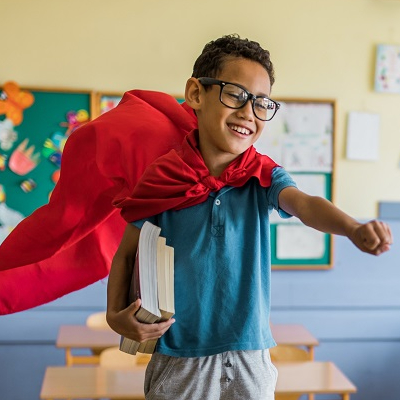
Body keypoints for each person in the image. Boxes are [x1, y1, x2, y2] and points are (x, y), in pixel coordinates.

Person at [106, 34, 392, 400]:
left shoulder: (263, 175)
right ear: (196, 94)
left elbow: (304, 204)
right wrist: (116, 315)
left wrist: (352, 228)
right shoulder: (164, 177)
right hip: (180, 358)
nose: (248, 113)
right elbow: (127, 253)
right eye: (235, 95)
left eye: (261, 103)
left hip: (250, 355)